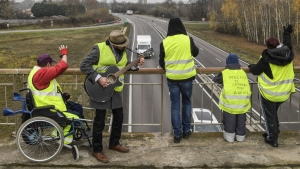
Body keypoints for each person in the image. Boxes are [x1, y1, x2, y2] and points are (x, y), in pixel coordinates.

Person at [80, 30, 145, 163]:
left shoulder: (123, 51)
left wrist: (135, 64)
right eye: (122, 45)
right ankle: (97, 150)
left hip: (115, 89)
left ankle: (114, 142)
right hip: (99, 89)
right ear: (113, 44)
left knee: (119, 117)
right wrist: (99, 78)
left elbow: (123, 68)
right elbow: (84, 65)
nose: (124, 47)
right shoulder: (99, 49)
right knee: (100, 121)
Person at [248, 24, 295, 147]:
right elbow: (288, 45)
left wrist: (250, 66)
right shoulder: (288, 54)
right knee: (273, 114)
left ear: (267, 46)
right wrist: (287, 34)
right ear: (279, 45)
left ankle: (272, 138)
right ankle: (273, 131)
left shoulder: (266, 58)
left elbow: (256, 70)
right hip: (284, 92)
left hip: (269, 94)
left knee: (270, 116)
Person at [27, 45, 79, 145]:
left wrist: (63, 95)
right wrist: (64, 53)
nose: (51, 67)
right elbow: (62, 66)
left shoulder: (35, 72)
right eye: (51, 64)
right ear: (48, 64)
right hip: (51, 109)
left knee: (77, 108)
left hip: (47, 105)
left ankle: (66, 134)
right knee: (77, 116)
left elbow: (47, 90)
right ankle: (65, 140)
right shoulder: (41, 73)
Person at [159, 18, 199, 143]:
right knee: (187, 103)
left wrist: (170, 68)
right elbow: (196, 52)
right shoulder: (188, 39)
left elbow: (161, 62)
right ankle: (187, 131)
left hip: (172, 79)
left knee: (175, 106)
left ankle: (177, 135)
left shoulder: (164, 42)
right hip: (187, 78)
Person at [213, 54, 251, 143]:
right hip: (243, 103)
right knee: (241, 121)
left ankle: (229, 138)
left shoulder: (225, 73)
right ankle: (240, 137)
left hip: (230, 104)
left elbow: (215, 79)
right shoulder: (243, 72)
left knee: (230, 121)